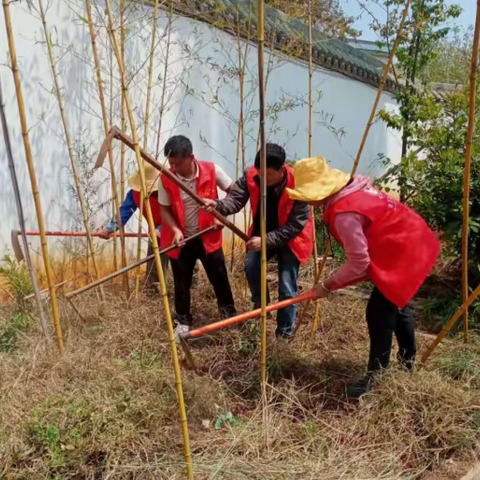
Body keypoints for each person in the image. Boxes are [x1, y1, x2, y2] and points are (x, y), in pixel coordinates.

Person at [286, 156, 441, 397]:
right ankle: (408, 364)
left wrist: (327, 285)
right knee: (396, 305)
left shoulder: (344, 214)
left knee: (379, 313)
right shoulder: (355, 188)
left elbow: (359, 262)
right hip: (416, 241)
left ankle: (375, 379)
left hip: (406, 253)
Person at [206, 143, 314, 339]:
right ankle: (261, 306)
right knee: (251, 267)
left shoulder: (301, 183)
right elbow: (236, 200)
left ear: (282, 169)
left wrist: (265, 241)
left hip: (291, 239)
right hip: (260, 234)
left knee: (287, 285)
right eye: (261, 174)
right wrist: (218, 205)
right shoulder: (251, 175)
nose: (264, 179)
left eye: (269, 175)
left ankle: (284, 334)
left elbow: (294, 226)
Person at [158, 135, 236, 339]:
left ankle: (229, 317)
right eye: (171, 163)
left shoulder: (212, 170)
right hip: (181, 239)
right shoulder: (166, 177)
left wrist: (222, 215)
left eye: (178, 163)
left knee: (219, 278)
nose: (173, 167)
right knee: (181, 282)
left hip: (208, 236)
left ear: (191, 157)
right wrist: (175, 230)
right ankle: (183, 321)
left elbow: (234, 193)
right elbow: (164, 209)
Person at [98, 164, 168, 290]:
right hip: (156, 234)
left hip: (177, 230)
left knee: (185, 269)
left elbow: (180, 212)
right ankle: (154, 297)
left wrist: (162, 228)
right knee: (154, 270)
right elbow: (124, 212)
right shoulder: (135, 194)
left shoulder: (169, 190)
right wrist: (110, 228)